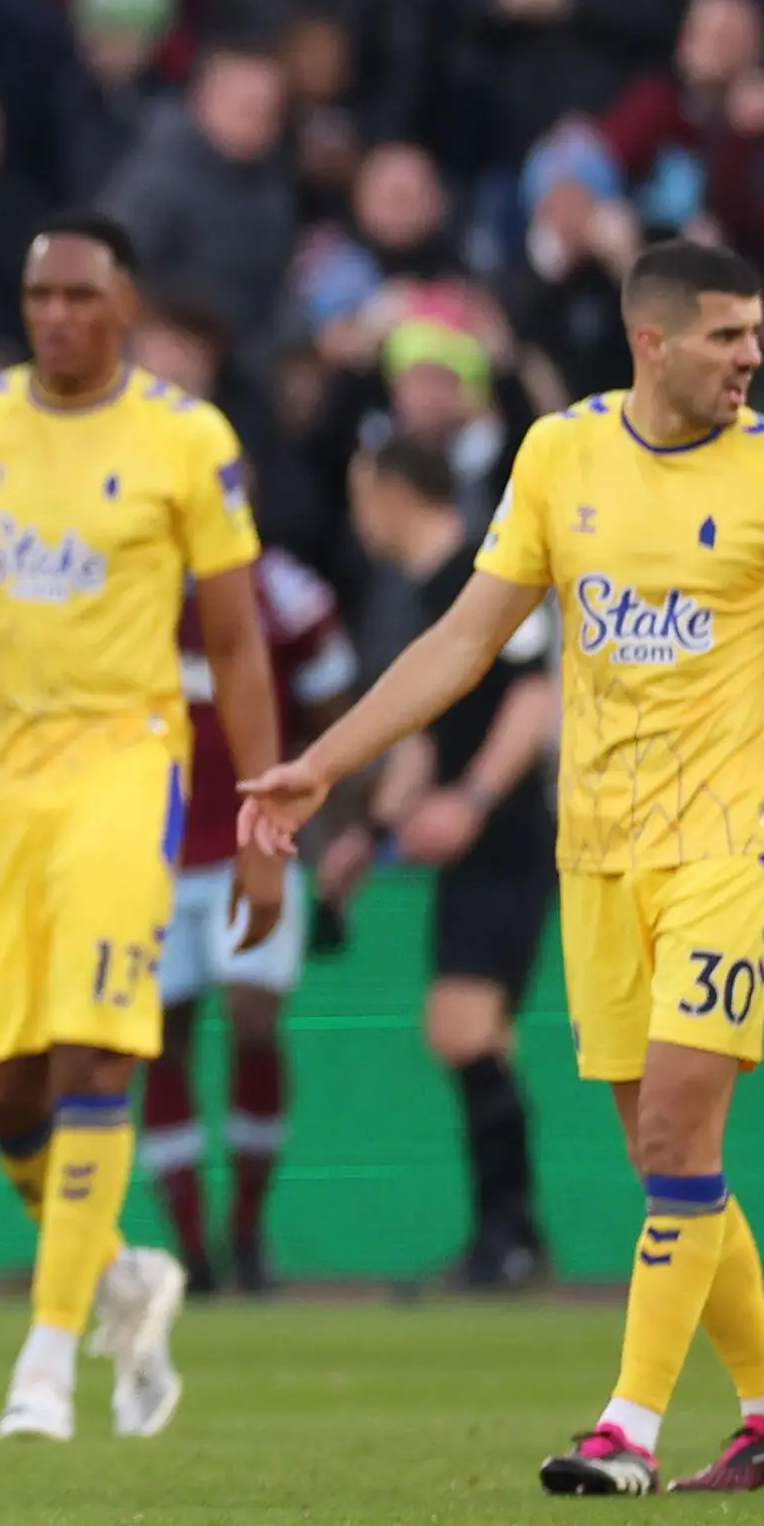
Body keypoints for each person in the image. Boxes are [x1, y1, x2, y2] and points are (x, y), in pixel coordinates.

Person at [244, 241, 764, 1495]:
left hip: (729, 848)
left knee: (675, 1125)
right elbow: (461, 640)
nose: (754, 357)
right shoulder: (560, 455)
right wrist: (323, 763)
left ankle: (627, 1429)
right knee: (673, 1163)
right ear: (651, 342)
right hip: (596, 853)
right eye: (728, 336)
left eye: (757, 333)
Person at [0, 214, 284, 1444]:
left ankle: (46, 1360)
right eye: (39, 291)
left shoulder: (184, 438)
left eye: (80, 294)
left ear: (125, 305)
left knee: (98, 1052)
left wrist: (259, 810)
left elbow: (239, 638)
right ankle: (114, 1277)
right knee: (0, 1084)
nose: (55, 314)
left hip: (122, 765)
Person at [130, 312, 359, 1298]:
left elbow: (337, 711)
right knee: (164, 1035)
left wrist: (335, 828)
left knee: (254, 1016)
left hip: (248, 844)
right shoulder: (124, 589)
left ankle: (250, 1223)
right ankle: (193, 1242)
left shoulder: (288, 596)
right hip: (140, 851)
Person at [314, 433, 563, 1290]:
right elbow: (432, 731)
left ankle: (511, 1237)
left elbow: (534, 695)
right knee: (470, 1032)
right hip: (475, 846)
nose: (356, 515)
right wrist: (372, 834)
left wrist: (475, 800)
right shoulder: (424, 591)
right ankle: (510, 1238)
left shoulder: (486, 572)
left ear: (392, 489)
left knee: (463, 1029)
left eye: (361, 493)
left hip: (511, 839)